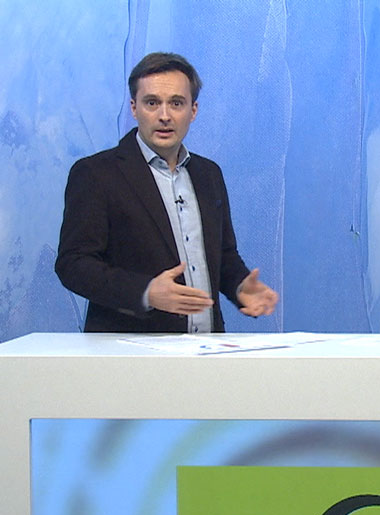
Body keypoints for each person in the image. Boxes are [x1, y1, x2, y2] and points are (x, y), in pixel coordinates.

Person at [56, 52, 278, 333]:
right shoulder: (96, 174)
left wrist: (240, 285)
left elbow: (221, 255)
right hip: (128, 350)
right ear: (134, 108)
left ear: (193, 111)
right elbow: (73, 264)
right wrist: (146, 292)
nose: (164, 116)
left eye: (176, 103)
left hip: (206, 348)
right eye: (152, 103)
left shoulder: (209, 174)